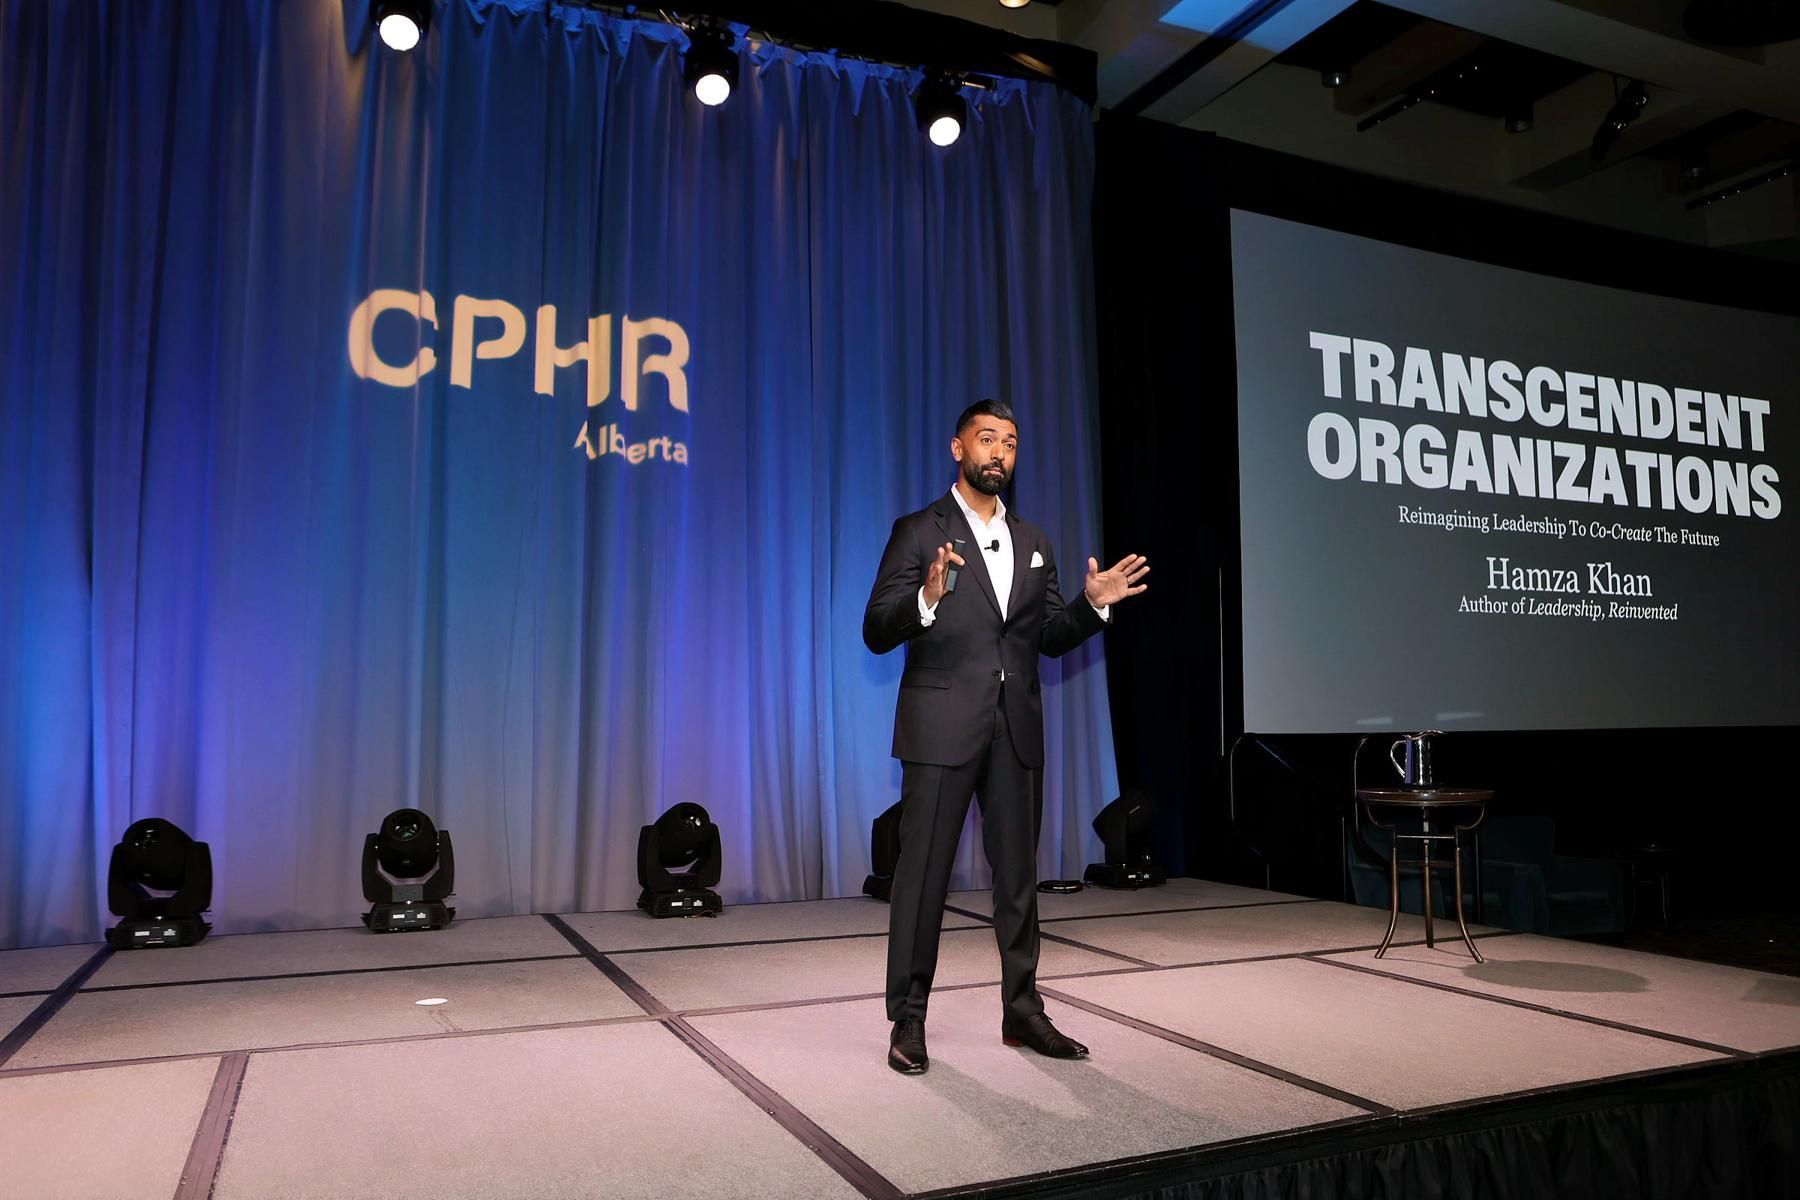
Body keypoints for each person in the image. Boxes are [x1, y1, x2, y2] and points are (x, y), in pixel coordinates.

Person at [862, 398, 1148, 1074]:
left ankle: (1022, 1011)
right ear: (957, 448)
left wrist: (1092, 605)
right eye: (987, 439)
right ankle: (908, 1019)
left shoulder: (1037, 543)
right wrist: (926, 598)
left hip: (1015, 729)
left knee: (1018, 882)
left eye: (1011, 443)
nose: (1000, 452)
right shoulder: (917, 531)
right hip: (939, 728)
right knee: (922, 880)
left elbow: (1047, 637)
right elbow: (876, 629)